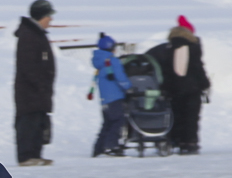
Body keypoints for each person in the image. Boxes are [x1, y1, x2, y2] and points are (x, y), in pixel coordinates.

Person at [144, 16, 211, 154]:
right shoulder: (193, 47)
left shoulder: (167, 47)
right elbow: (197, 67)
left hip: (172, 88)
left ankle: (175, 140)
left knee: (176, 116)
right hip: (191, 88)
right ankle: (189, 143)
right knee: (191, 117)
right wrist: (205, 83)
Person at [14, 0, 57, 166]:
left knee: (38, 120)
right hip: (30, 90)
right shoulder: (29, 35)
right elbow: (28, 65)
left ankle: (35, 154)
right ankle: (26, 156)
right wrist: (39, 84)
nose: (51, 20)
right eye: (48, 16)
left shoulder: (37, 33)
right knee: (28, 121)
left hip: (38, 89)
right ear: (41, 16)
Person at [89, 34, 132, 157]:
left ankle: (99, 148)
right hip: (115, 97)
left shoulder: (100, 62)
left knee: (107, 123)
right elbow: (120, 77)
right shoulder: (113, 61)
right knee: (118, 121)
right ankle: (111, 146)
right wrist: (128, 87)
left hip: (104, 100)